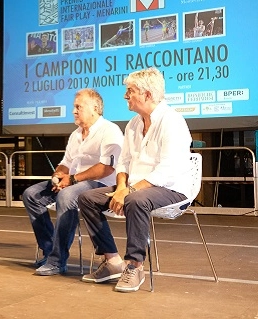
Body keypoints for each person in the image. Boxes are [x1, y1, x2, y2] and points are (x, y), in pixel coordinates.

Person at [78, 67, 192, 292]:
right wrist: (121, 187)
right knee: (87, 198)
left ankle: (135, 266)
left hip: (172, 188)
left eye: (130, 91)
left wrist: (128, 192)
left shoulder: (173, 121)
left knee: (136, 200)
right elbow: (124, 162)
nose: (125, 96)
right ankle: (112, 262)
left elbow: (168, 170)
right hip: (134, 187)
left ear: (147, 94)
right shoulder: (133, 124)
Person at [21, 89, 123, 276]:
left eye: (78, 107)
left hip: (101, 184)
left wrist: (73, 180)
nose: (74, 111)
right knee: (31, 195)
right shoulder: (75, 135)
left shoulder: (110, 130)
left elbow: (106, 168)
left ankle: (57, 260)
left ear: (94, 108)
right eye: (74, 107)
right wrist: (58, 176)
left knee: (67, 195)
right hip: (73, 181)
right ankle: (50, 249)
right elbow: (66, 163)